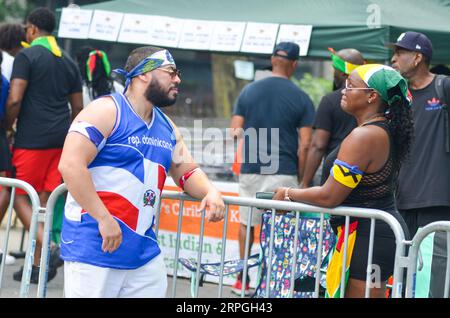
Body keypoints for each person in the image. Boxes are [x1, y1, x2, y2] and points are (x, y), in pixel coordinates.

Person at [58, 45, 225, 298]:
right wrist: (104, 218)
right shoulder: (105, 110)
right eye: (171, 72)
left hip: (143, 254)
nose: (178, 79)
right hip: (95, 247)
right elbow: (70, 165)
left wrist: (210, 192)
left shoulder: (167, 126)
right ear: (143, 74)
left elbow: (187, 172)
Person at [273, 64, 414, 298]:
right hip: (368, 234)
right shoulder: (377, 130)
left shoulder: (365, 135)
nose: (343, 90)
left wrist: (288, 193)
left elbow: (330, 196)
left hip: (370, 239)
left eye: (351, 86)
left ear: (371, 96)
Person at [5, 7, 83, 283]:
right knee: (45, 202)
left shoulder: (27, 56)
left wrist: (6, 127)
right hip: (61, 140)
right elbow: (78, 107)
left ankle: (49, 248)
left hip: (31, 139)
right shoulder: (69, 62)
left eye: (27, 29)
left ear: (33, 30)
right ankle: (38, 267)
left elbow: (14, 99)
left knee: (19, 196)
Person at [229, 42, 315, 295]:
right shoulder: (301, 97)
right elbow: (306, 144)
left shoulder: (249, 91)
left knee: (248, 224)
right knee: (281, 228)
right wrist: (301, 178)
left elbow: (235, 132)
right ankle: (270, 280)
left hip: (252, 166)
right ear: (294, 64)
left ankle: (241, 279)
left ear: (272, 59)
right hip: (284, 171)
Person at [389, 31, 450, 298]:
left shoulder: (444, 87)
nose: (393, 59)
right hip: (401, 201)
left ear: (417, 57)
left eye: (399, 53)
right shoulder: (398, 97)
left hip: (436, 200)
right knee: (404, 274)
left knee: (434, 279)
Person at [301, 48, 364, 188]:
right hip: (365, 174)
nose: (333, 72)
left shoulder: (330, 101)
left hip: (335, 179)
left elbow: (318, 145)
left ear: (342, 72)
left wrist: (305, 183)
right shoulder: (372, 100)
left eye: (334, 68)